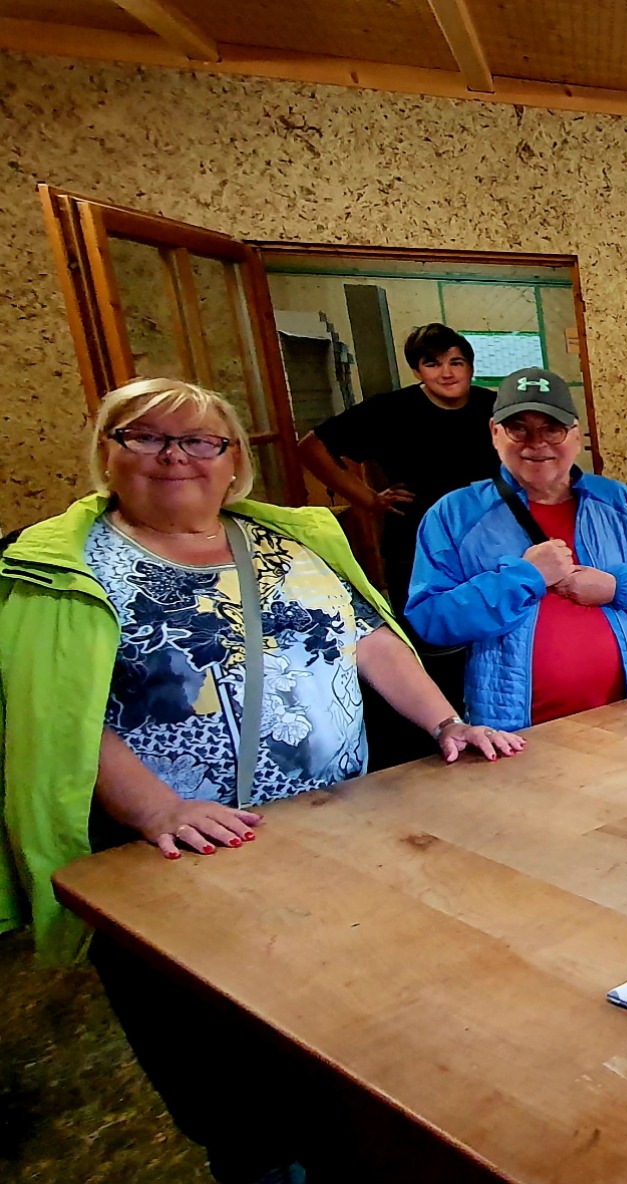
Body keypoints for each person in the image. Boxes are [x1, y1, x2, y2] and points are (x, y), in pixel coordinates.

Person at [0, 377, 522, 1181]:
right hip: (182, 858)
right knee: (232, 1081)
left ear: (233, 459)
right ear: (106, 450)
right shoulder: (60, 568)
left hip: (334, 837)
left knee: (338, 1036)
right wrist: (161, 808)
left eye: (200, 440)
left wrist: (445, 723)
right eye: (146, 437)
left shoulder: (294, 543)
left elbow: (371, 640)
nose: (176, 456)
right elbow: (60, 712)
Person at [407, 368, 627, 730]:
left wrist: (617, 588)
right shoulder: (454, 515)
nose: (536, 443)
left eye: (551, 429)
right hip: (517, 732)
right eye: (519, 428)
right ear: (495, 433)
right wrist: (524, 578)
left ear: (576, 436)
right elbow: (430, 619)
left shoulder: (622, 504)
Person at [297, 322, 498, 612]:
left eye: (457, 363)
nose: (447, 373)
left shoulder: (493, 405)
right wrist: (366, 498)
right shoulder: (390, 410)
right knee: (427, 638)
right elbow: (311, 447)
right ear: (417, 371)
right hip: (415, 544)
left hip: (488, 540)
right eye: (432, 364)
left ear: (470, 367)